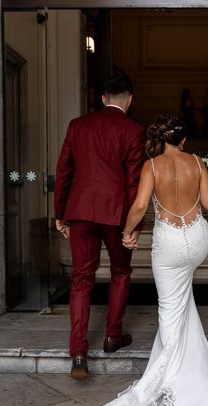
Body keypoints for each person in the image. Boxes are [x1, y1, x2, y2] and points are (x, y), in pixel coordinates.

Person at [19, 115, 208, 406]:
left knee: (170, 306)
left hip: (171, 244)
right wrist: (202, 182)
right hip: (198, 240)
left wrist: (128, 232)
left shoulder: (152, 165)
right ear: (185, 139)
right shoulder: (195, 162)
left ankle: (172, 374)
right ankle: (192, 362)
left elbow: (141, 205)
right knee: (183, 299)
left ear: (159, 141)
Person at [53, 73, 145, 380]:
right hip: (116, 214)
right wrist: (134, 226)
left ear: (102, 98)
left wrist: (60, 213)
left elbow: (63, 170)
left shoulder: (77, 125)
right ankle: (112, 336)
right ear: (129, 100)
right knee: (120, 271)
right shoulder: (133, 130)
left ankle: (78, 351)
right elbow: (134, 183)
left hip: (80, 211)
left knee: (81, 279)